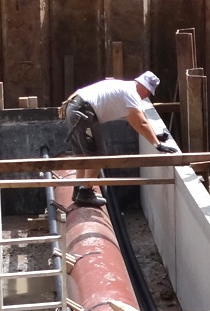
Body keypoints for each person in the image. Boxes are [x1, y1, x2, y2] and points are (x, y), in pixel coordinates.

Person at [60, 71, 176, 208]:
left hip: (74, 108)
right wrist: (157, 145)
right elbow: (141, 122)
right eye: (148, 93)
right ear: (146, 89)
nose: (146, 96)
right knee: (97, 156)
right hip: (84, 113)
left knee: (82, 154)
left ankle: (78, 190)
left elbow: (134, 120)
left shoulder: (123, 87)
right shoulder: (131, 93)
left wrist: (154, 135)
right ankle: (85, 193)